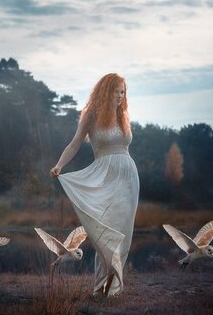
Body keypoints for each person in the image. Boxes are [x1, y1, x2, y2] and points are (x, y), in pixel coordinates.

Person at [50, 73, 139, 297]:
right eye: (116, 91)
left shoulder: (123, 116)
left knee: (123, 231)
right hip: (104, 177)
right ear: (105, 91)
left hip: (128, 178)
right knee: (104, 230)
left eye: (123, 92)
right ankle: (101, 284)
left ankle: (112, 288)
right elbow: (74, 144)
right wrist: (59, 165)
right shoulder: (91, 116)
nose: (120, 96)